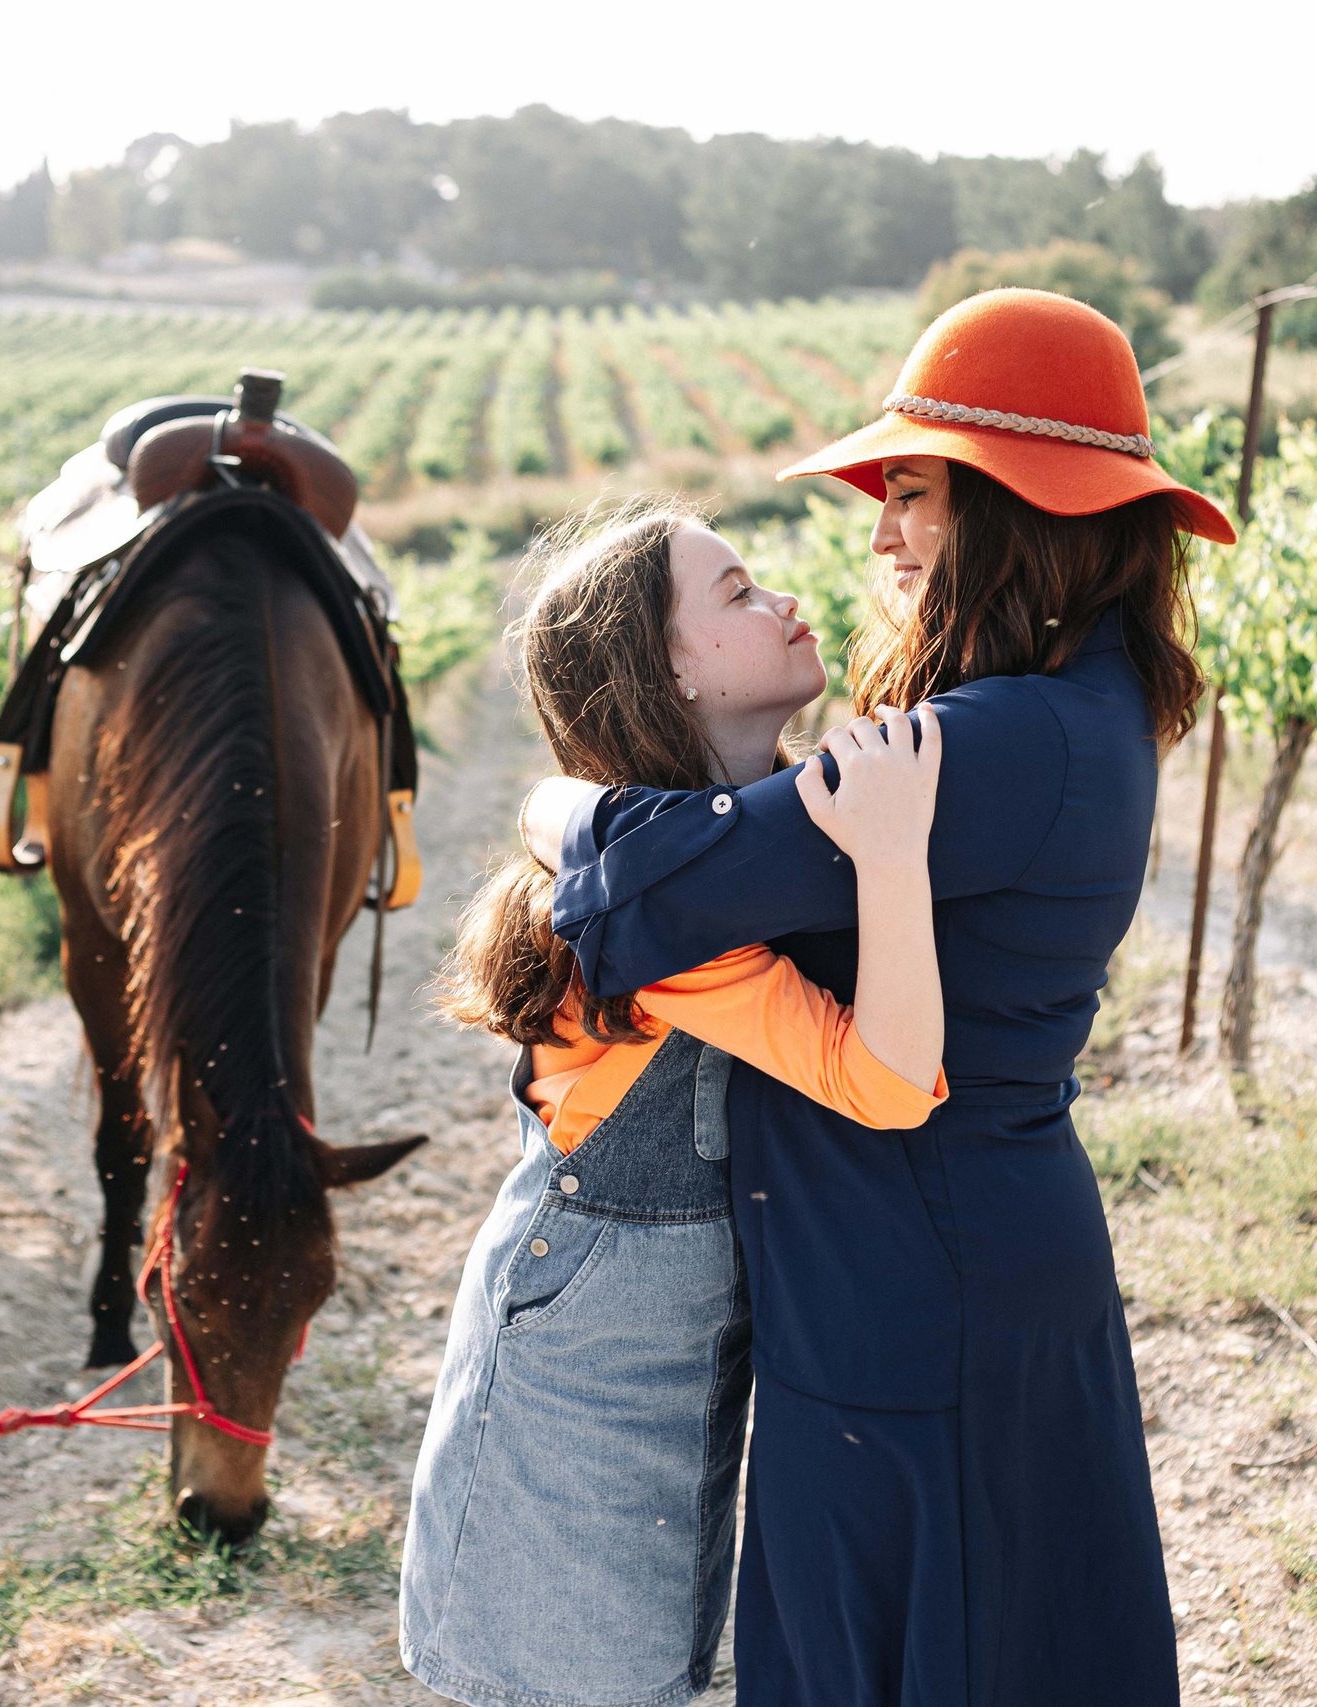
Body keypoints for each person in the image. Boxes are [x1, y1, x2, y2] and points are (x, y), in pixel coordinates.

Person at [524, 289, 1239, 1706]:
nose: (882, 535)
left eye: (913, 493)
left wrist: (554, 799)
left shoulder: (1000, 740)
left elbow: (662, 887)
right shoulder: (1067, 706)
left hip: (912, 1286)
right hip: (950, 1259)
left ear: (1018, 506)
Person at [401, 500, 952, 1707]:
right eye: (741, 592)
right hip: (589, 1325)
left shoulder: (700, 846)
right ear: (667, 672)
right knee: (573, 1674)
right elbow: (889, 1081)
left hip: (660, 1321)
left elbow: (566, 808)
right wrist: (895, 856)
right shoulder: (663, 915)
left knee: (641, 1664)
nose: (789, 602)